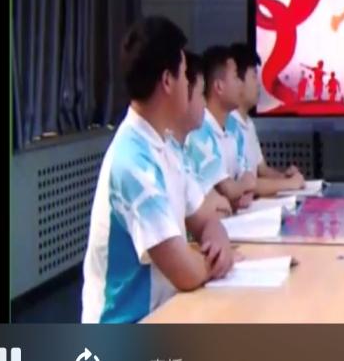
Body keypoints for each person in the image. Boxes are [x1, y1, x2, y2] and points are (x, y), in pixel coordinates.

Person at [81, 17, 234, 323]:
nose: (189, 85)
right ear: (167, 81)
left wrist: (218, 239)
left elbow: (206, 219)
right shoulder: (132, 161)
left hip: (161, 313)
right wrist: (217, 259)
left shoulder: (165, 146)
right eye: (184, 75)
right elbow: (185, 273)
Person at [227, 42, 305, 196]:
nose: (258, 85)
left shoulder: (248, 123)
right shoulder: (228, 125)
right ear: (238, 81)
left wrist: (284, 177)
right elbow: (248, 184)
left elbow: (262, 170)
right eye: (254, 77)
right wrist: (289, 184)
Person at [185, 46, 256, 213]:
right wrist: (241, 188)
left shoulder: (233, 126)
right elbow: (229, 190)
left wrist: (244, 190)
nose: (240, 84)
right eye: (236, 77)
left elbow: (248, 177)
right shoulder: (199, 131)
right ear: (219, 86)